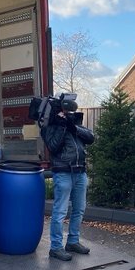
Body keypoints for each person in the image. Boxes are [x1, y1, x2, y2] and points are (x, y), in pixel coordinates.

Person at [41, 98, 95, 261]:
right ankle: (56, 247)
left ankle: (72, 241)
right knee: (60, 212)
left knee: (79, 209)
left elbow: (91, 138)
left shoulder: (75, 125)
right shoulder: (50, 127)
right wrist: (61, 126)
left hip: (80, 172)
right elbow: (53, 147)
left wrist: (73, 127)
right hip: (63, 172)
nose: (68, 115)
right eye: (66, 112)